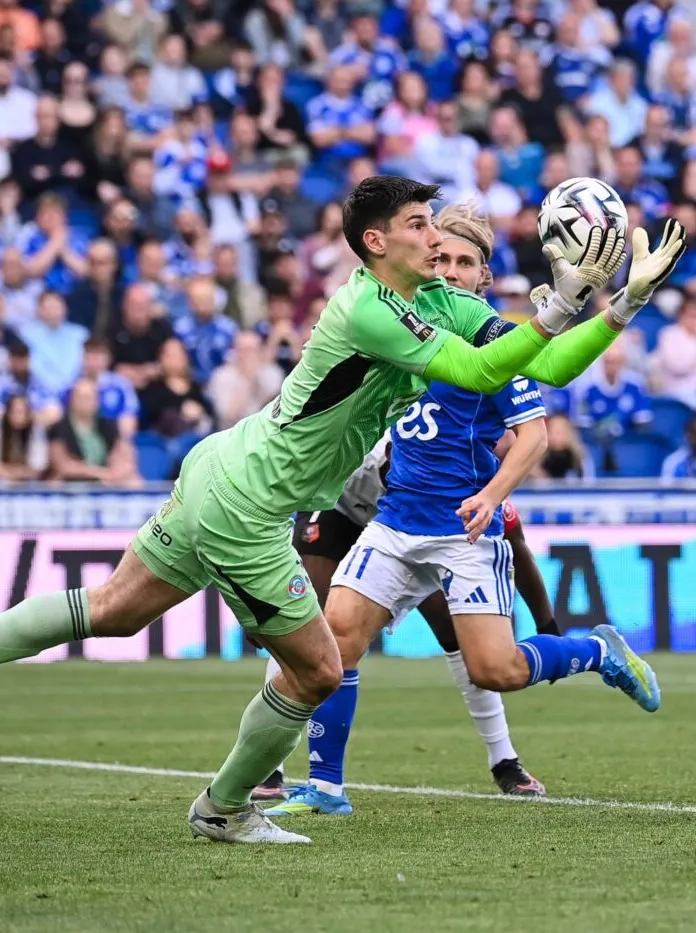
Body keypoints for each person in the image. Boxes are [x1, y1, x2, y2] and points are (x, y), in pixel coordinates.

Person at [0, 175, 684, 846]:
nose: (436, 236)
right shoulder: (366, 306)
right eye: (420, 224)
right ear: (376, 242)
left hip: (220, 466)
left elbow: (541, 367)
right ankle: (223, 808)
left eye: (436, 223)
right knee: (319, 669)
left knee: (110, 609)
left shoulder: (444, 302)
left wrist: (618, 307)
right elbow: (478, 372)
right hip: (250, 507)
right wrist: (557, 304)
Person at [259, 202, 562, 811]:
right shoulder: (390, 313)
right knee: (313, 626)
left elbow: (518, 516)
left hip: (424, 512)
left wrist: (548, 625)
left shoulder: (491, 347)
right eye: (440, 257)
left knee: (469, 647)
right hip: (345, 496)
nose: (448, 271)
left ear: (483, 276)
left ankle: (503, 757)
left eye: (464, 263)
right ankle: (280, 764)